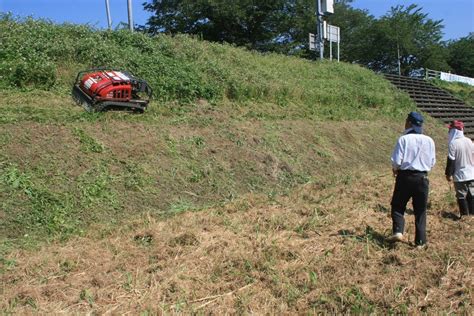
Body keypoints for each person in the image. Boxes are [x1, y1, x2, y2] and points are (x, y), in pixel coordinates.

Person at [388, 112, 436, 248]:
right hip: (422, 178)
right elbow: (432, 162)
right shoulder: (429, 140)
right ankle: (420, 242)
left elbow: (396, 161)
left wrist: (395, 169)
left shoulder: (403, 139)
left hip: (405, 177)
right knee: (420, 210)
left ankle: (398, 231)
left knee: (398, 205)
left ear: (409, 123)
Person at [445, 120, 474, 218]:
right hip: (471, 173)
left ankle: (465, 216)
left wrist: (448, 174)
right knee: (471, 194)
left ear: (454, 131)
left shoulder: (453, 144)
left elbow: (451, 161)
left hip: (460, 174)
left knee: (461, 196)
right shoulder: (469, 141)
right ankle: (472, 215)